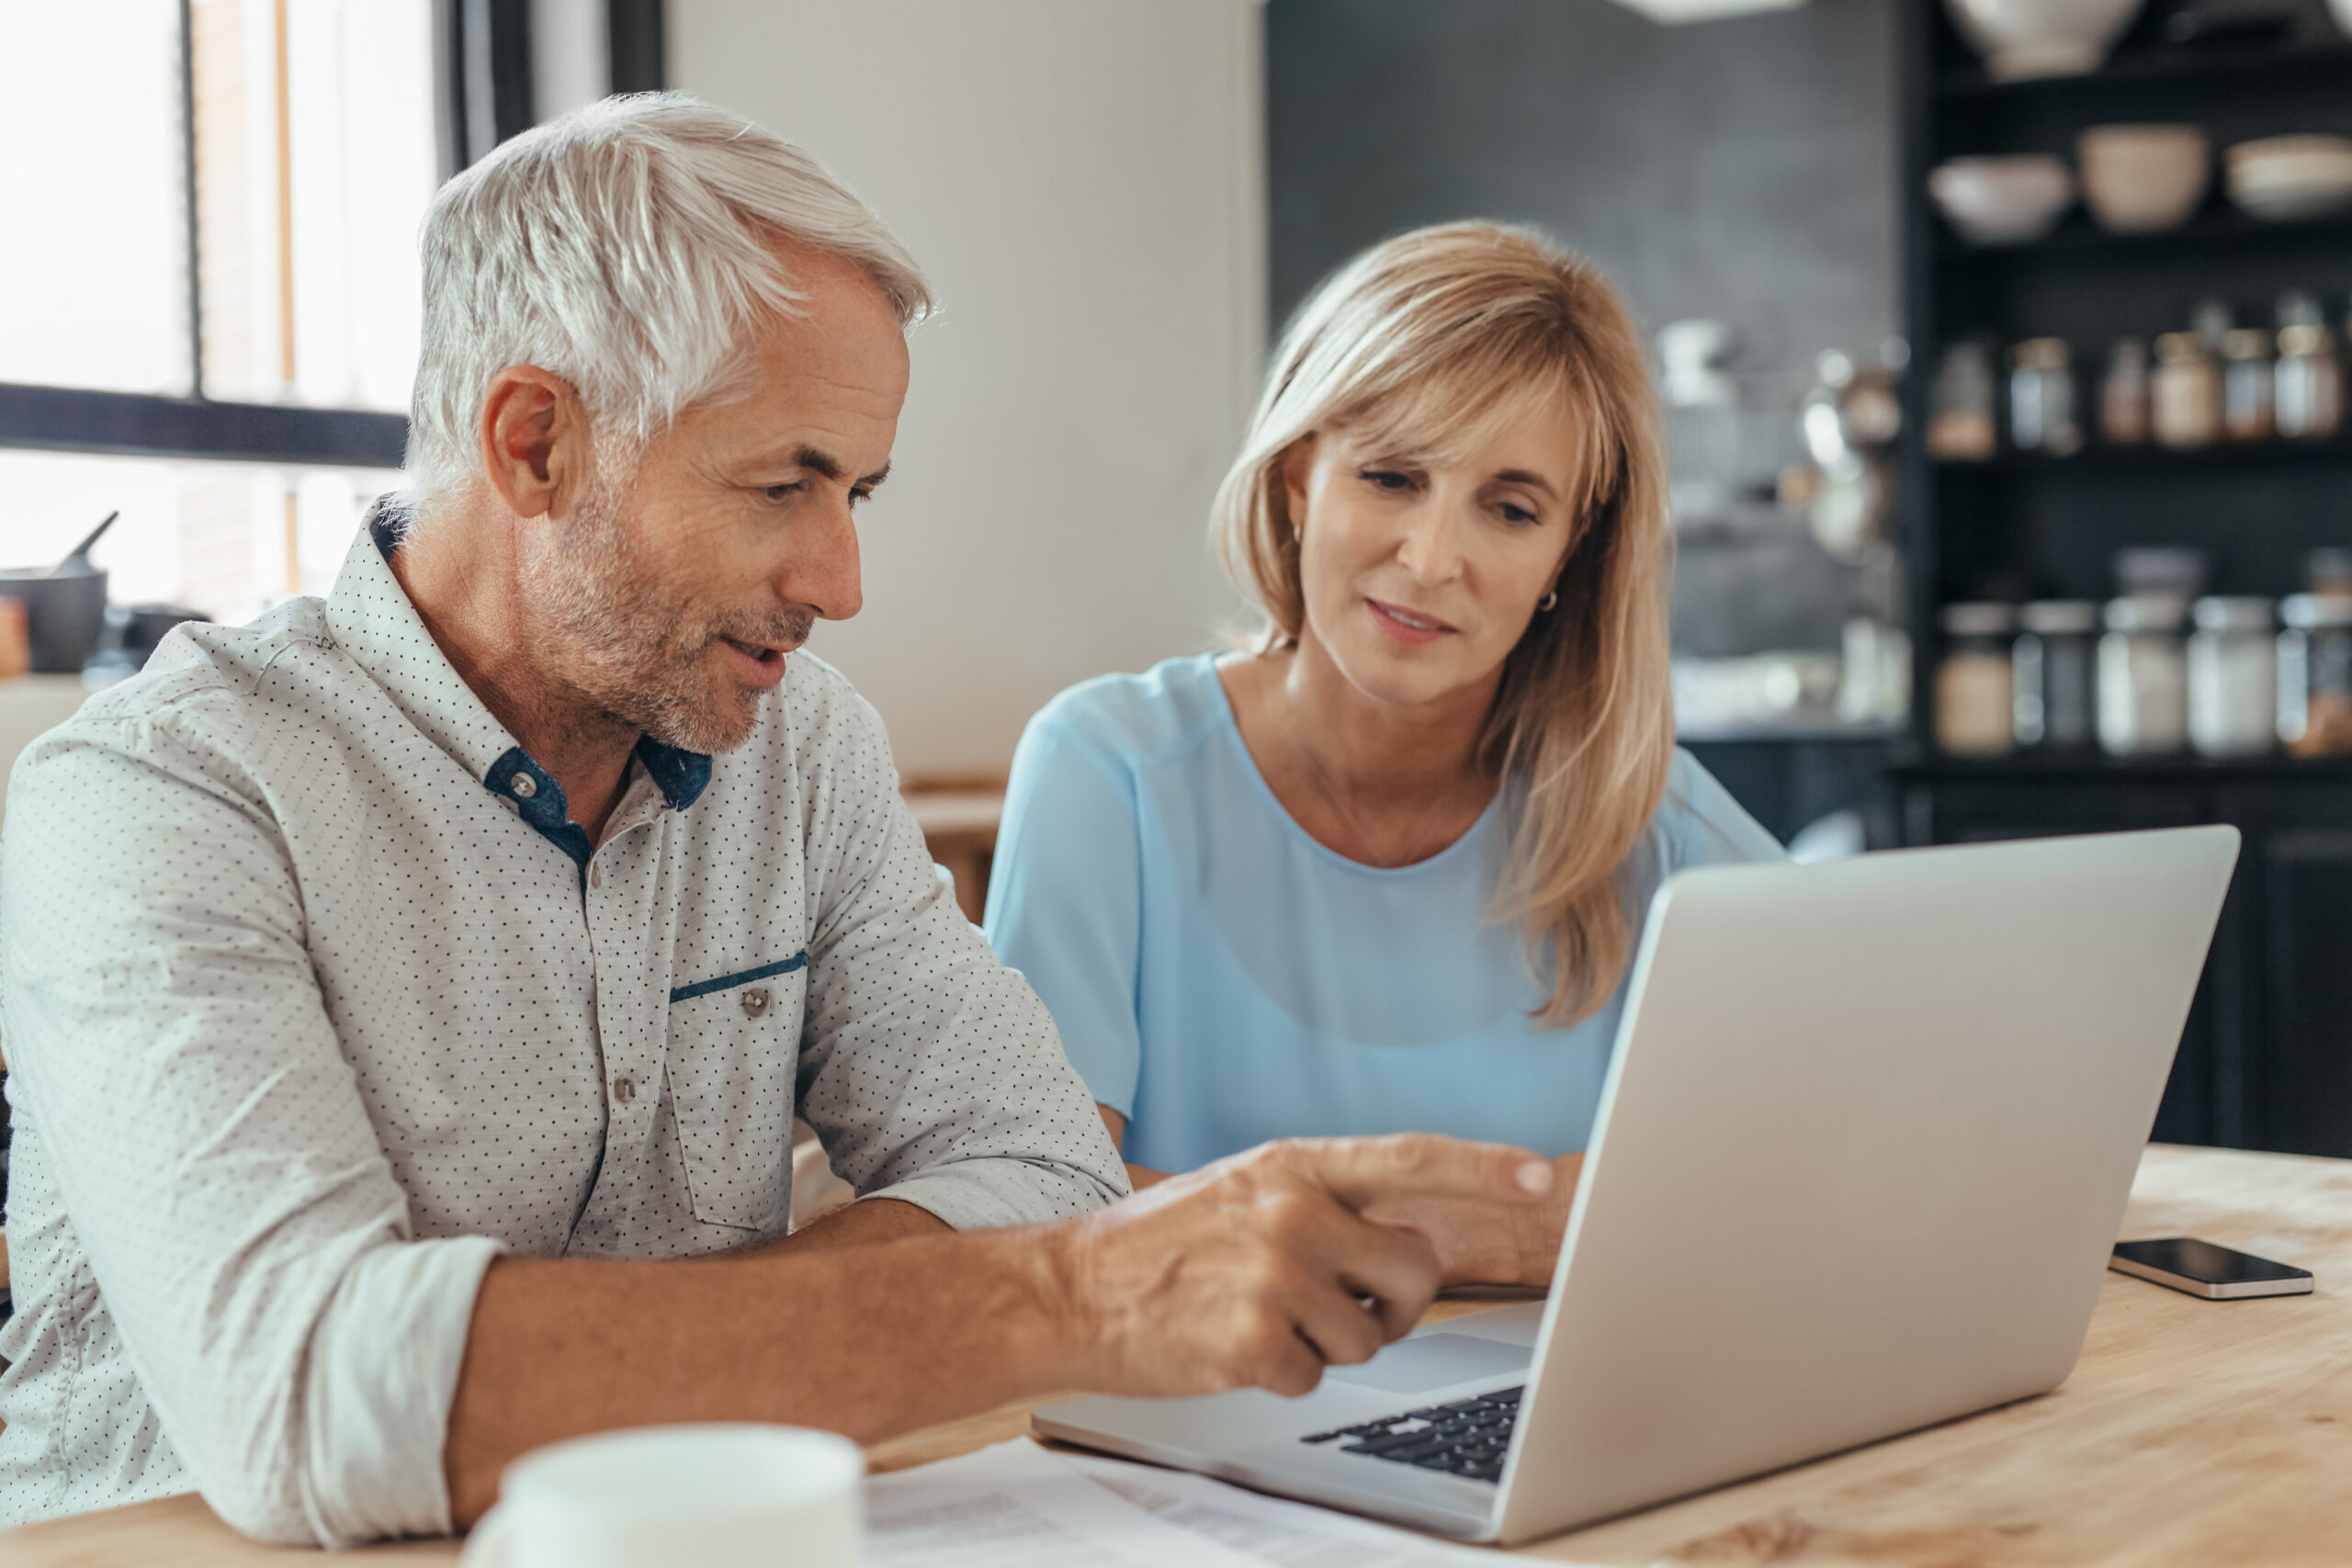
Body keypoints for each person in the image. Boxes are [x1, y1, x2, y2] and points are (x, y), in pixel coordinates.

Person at [0, 98, 1556, 1547]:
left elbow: (1032, 1162)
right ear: (534, 442)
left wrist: (617, 1361)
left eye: (858, 493)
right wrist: (1065, 1300)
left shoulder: (799, 748)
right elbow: (313, 1393)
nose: (841, 579)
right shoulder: (157, 794)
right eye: (781, 486)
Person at [984, 223, 1784, 1289]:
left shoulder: (1660, 829)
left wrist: (1451, 1233)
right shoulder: (1108, 775)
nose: (1431, 559)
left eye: (1509, 508)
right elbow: (1040, 1221)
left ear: (1570, 552)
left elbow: (1821, 1174)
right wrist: (1495, 1231)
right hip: (1186, 1428)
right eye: (1393, 477)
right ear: (1300, 476)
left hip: (1561, 1429)